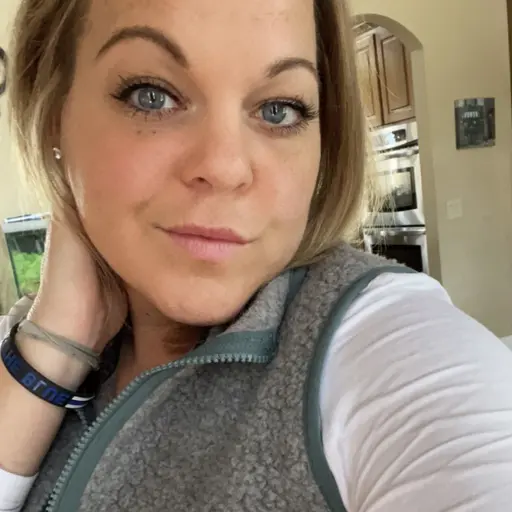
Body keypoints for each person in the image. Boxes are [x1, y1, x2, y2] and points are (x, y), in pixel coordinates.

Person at [1, 0, 512, 510]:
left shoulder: (384, 343)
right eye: (152, 95)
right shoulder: (22, 335)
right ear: (52, 116)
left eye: (279, 110)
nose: (226, 168)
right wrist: (54, 345)